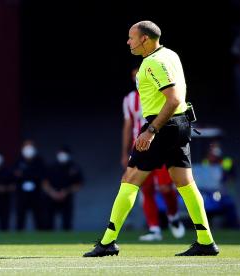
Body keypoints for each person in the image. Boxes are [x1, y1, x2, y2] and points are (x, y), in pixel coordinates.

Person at [84, 21, 218, 257]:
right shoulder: (170, 55)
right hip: (181, 124)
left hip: (162, 127)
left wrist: (151, 131)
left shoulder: (152, 63)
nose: (128, 42)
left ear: (145, 39)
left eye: (131, 37)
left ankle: (107, 242)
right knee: (186, 184)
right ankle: (206, 241)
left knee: (130, 179)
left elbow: (174, 98)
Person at [122, 68, 185, 241]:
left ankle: (173, 216)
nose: (137, 79)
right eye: (134, 76)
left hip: (160, 145)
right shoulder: (129, 100)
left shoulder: (160, 93)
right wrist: (125, 151)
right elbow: (128, 126)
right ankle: (154, 228)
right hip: (141, 148)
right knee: (145, 188)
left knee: (165, 186)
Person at [42, 146, 83, 230]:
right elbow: (44, 183)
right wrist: (52, 193)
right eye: (60, 153)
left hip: (66, 198)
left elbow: (79, 184)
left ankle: (68, 240)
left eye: (64, 153)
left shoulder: (74, 167)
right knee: (48, 222)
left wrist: (66, 192)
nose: (62, 156)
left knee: (67, 222)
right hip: (51, 198)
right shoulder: (51, 167)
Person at [13, 139, 47, 230]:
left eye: (30, 147)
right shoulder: (18, 161)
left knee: (39, 217)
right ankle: (18, 239)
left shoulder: (39, 161)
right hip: (21, 194)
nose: (28, 149)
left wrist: (25, 174)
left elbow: (43, 175)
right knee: (20, 217)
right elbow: (14, 175)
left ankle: (42, 238)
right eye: (26, 146)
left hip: (36, 193)